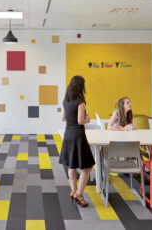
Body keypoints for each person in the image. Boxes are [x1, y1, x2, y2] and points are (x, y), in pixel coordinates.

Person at [59, 75, 94, 207]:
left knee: (72, 164)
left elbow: (63, 117)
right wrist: (88, 119)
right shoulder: (81, 101)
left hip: (68, 134)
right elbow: (81, 121)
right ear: (80, 86)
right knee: (87, 167)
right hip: (78, 135)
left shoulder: (65, 100)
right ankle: (79, 193)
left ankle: (73, 190)